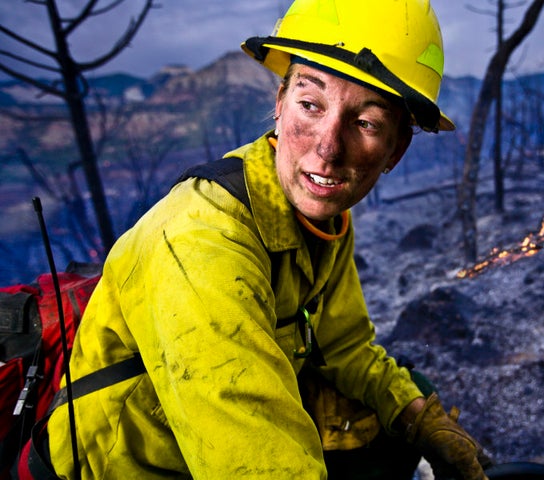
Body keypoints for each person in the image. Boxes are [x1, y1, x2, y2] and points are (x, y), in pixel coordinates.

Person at [28, 0, 492, 478]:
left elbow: (344, 349)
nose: (328, 147)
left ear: (396, 148)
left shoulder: (321, 219)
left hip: (203, 448)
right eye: (310, 105)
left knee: (399, 397)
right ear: (279, 104)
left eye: (367, 123)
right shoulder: (200, 239)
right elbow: (257, 467)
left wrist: (420, 417)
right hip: (126, 470)